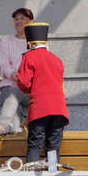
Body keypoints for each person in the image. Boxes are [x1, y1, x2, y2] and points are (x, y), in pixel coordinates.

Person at [16, 22, 69, 164]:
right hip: (59, 109)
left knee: (35, 144)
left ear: (30, 44)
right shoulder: (57, 59)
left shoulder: (29, 57)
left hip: (40, 108)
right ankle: (52, 172)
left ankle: (29, 175)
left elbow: (25, 84)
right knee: (53, 146)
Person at [0, 8, 34, 131]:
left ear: (31, 22)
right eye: (16, 19)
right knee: (10, 95)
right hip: (10, 84)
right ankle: (18, 131)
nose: (19, 21)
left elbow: (41, 66)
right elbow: (3, 65)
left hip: (30, 86)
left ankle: (26, 128)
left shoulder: (37, 42)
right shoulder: (6, 41)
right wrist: (16, 78)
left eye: (23, 18)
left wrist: (21, 82)